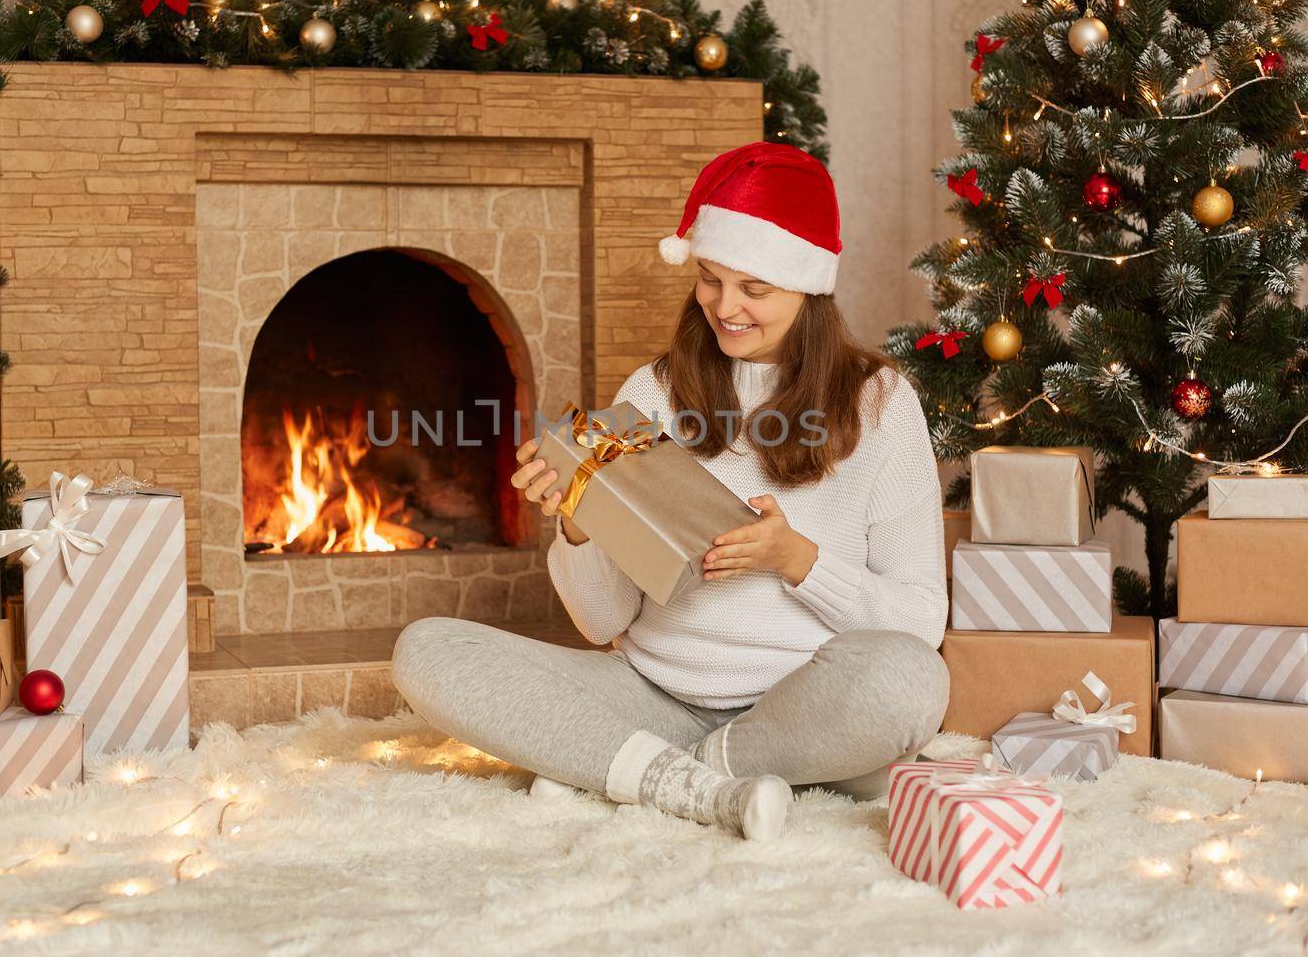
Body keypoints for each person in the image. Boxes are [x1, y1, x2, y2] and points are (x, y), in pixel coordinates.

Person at [392, 140, 949, 841]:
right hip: (652, 694)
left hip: (802, 704)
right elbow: (601, 621)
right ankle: (689, 783)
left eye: (755, 288)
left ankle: (687, 767)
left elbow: (922, 621)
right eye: (712, 279)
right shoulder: (652, 394)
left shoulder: (882, 404)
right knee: (427, 650)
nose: (726, 307)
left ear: (809, 288)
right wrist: (579, 522)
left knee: (911, 679)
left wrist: (795, 559)